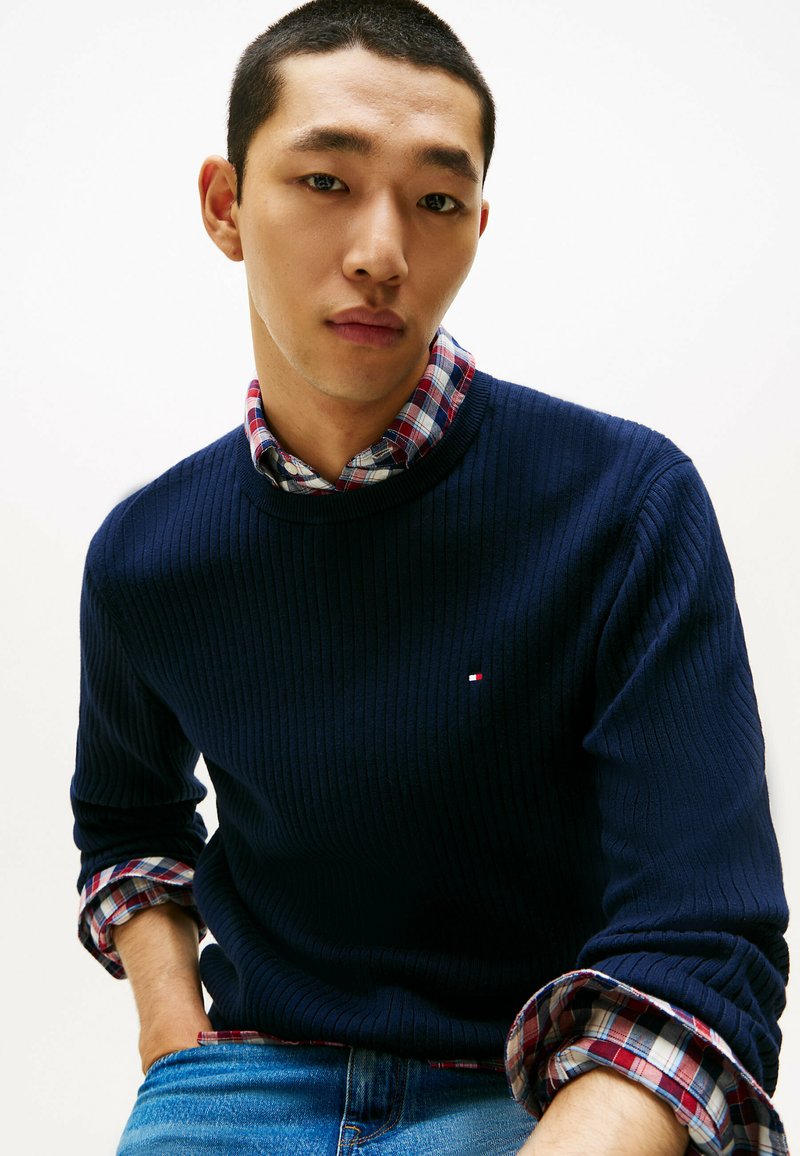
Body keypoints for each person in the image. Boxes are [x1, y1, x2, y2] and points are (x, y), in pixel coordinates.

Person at [71, 2, 789, 1153]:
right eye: (324, 182)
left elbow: (705, 940)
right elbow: (127, 818)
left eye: (436, 201)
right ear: (224, 205)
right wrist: (171, 1031)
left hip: (538, 1092)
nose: (380, 253)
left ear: (475, 226)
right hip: (245, 1083)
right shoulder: (148, 552)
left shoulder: (622, 504)